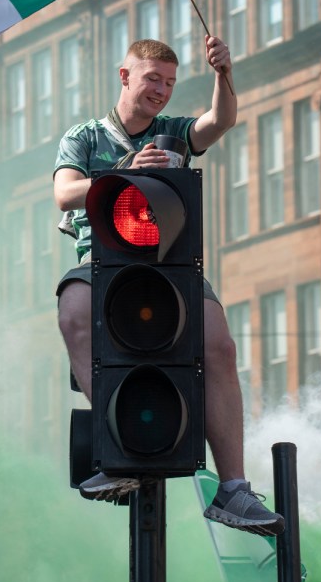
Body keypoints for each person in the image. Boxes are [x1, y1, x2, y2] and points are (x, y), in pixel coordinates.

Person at [53, 35, 284, 537]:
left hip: (170, 262)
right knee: (73, 311)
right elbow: (64, 193)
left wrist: (223, 73)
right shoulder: (86, 137)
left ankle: (233, 490)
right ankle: (118, 453)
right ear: (125, 76)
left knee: (218, 345)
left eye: (171, 83)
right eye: (153, 79)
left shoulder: (174, 132)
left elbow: (219, 122)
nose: (162, 90)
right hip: (106, 261)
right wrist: (123, 170)